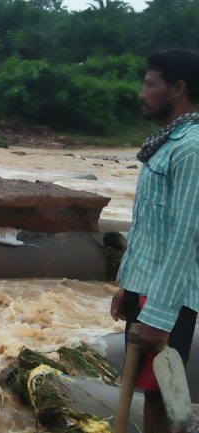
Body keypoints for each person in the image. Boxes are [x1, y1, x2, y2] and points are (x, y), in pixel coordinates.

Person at [111, 48, 199, 433]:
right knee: (149, 392)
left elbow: (186, 237)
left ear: (177, 89)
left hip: (168, 300)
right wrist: (127, 287)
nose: (141, 93)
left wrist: (160, 316)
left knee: (163, 396)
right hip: (145, 290)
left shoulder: (192, 148)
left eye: (150, 85)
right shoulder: (166, 142)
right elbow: (149, 224)